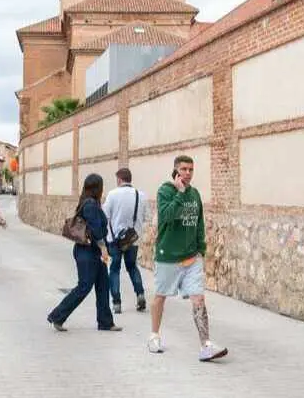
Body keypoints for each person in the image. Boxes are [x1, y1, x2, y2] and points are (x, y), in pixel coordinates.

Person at [148, 155, 228, 362]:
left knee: (198, 298)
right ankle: (154, 335)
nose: (188, 173)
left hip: (192, 257)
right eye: (183, 169)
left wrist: (201, 248)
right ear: (175, 171)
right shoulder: (165, 191)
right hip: (168, 257)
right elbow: (166, 216)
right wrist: (180, 194)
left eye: (191, 169)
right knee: (160, 296)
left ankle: (206, 345)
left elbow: (199, 222)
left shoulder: (195, 194)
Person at [47, 174, 120, 332]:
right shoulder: (90, 205)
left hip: (91, 251)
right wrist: (104, 249)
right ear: (97, 188)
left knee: (103, 285)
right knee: (84, 286)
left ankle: (105, 322)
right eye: (101, 186)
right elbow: (95, 230)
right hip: (88, 252)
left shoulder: (89, 203)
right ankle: (57, 316)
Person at [102, 167, 147, 315]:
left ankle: (116, 303)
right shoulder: (141, 195)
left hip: (115, 239)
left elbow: (105, 215)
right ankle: (140, 294)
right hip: (132, 239)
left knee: (114, 270)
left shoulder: (112, 194)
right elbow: (143, 217)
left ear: (119, 179)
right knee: (132, 267)